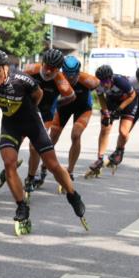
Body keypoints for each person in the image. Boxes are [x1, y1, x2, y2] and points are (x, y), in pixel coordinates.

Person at [0, 49, 86, 235]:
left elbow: (38, 95)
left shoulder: (22, 79)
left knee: (52, 165)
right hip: (10, 125)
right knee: (9, 163)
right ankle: (22, 206)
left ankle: (72, 195)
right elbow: (2, 104)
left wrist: (31, 110)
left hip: (32, 123)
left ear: (6, 68)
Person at [20, 48, 76, 195]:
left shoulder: (60, 80)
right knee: (15, 142)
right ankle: (10, 167)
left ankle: (30, 178)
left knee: (34, 147)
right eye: (47, 67)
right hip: (25, 111)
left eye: (54, 69)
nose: (49, 71)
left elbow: (71, 96)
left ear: (59, 69)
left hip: (45, 115)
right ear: (42, 63)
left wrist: (57, 104)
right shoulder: (30, 70)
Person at [49, 56, 99, 186]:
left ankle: (70, 170)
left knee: (76, 135)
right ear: (63, 72)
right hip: (64, 107)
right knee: (52, 137)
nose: (71, 79)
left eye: (74, 75)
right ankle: (44, 167)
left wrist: (105, 110)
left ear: (78, 72)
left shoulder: (87, 79)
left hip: (83, 108)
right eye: (68, 75)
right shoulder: (58, 77)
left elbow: (99, 87)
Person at [85, 65, 138, 177]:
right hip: (112, 102)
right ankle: (99, 159)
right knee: (105, 128)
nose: (104, 84)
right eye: (102, 81)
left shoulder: (120, 81)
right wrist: (106, 113)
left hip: (128, 102)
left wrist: (119, 110)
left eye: (106, 81)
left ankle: (119, 150)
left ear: (111, 78)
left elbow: (132, 95)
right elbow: (101, 98)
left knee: (123, 132)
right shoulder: (99, 84)